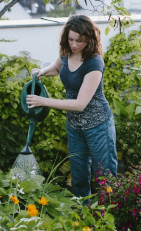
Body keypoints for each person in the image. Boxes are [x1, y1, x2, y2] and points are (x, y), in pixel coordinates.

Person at [27, 14, 117, 198]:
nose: (74, 44)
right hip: (75, 127)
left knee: (105, 178)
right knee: (78, 178)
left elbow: (79, 104)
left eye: (79, 41)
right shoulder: (67, 53)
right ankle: (82, 219)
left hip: (98, 126)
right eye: (70, 39)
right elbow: (58, 68)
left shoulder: (94, 63)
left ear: (90, 39)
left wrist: (42, 101)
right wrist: (42, 72)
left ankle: (108, 218)